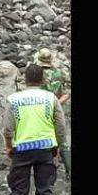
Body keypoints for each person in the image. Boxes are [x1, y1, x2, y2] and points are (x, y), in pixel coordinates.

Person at [3, 65, 67, 195]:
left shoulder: (14, 99)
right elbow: (60, 126)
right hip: (46, 148)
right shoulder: (50, 98)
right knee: (45, 189)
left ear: (25, 79)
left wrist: (9, 146)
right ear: (43, 79)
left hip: (22, 149)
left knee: (17, 188)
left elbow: (8, 128)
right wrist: (60, 146)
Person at [33, 48, 71, 180]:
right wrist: (57, 103)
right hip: (58, 110)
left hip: (39, 111)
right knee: (63, 141)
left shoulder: (35, 73)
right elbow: (67, 92)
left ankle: (46, 172)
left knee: (43, 139)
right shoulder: (60, 73)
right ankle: (68, 171)